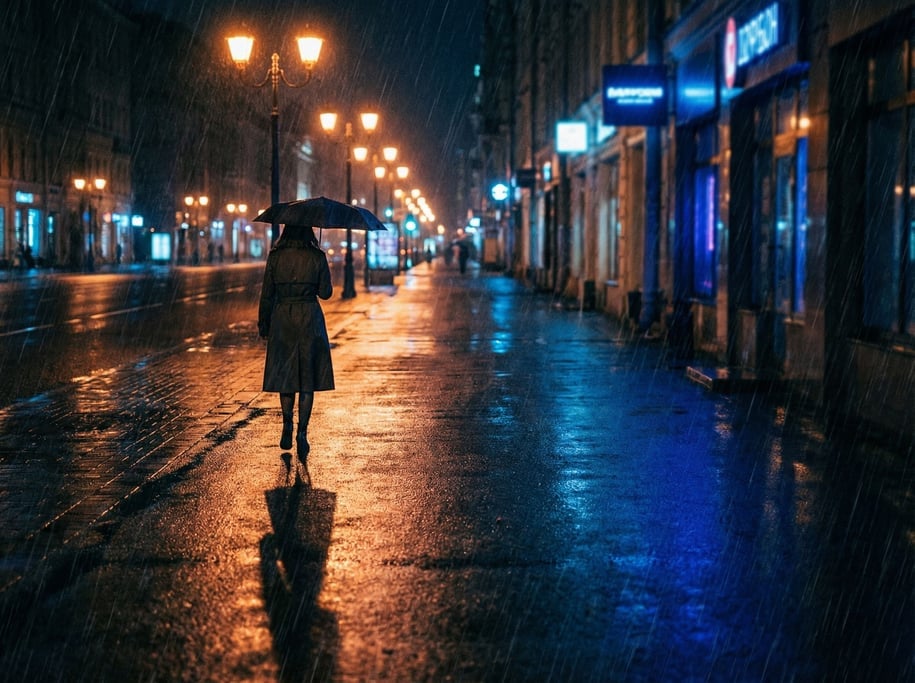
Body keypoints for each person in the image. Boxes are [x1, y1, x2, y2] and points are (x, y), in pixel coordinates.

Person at [258, 225, 334, 464]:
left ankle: (287, 423)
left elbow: (267, 294)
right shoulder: (317, 256)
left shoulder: (275, 256)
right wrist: (318, 267)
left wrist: (264, 324)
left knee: (286, 375)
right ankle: (302, 432)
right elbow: (326, 293)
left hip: (283, 318)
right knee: (307, 379)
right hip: (309, 318)